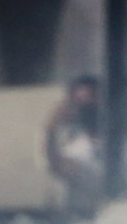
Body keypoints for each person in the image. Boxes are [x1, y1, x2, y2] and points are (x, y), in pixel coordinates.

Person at [44, 75, 104, 212]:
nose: (88, 107)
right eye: (80, 102)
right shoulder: (77, 151)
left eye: (93, 98)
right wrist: (51, 129)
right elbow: (58, 165)